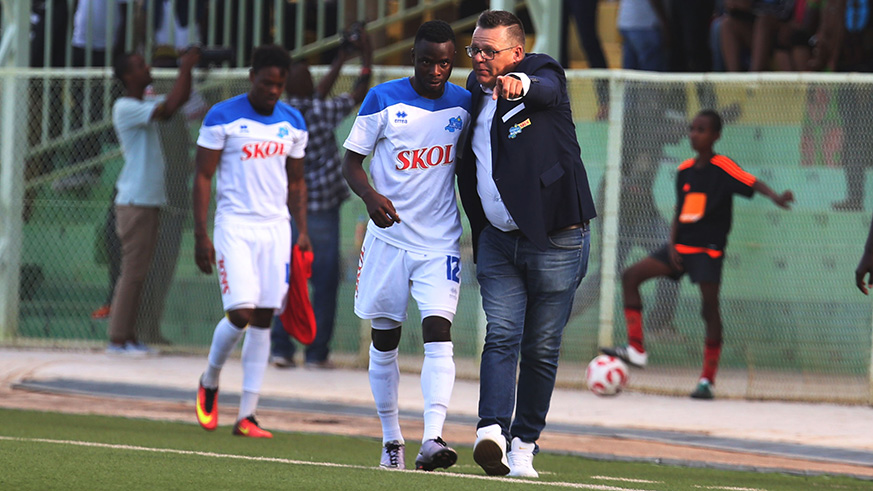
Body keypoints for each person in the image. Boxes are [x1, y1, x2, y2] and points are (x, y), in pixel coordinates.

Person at [456, 10, 597, 478]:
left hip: (557, 239)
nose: (478, 58)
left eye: (488, 51)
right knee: (501, 335)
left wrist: (521, 85)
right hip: (497, 241)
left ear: (516, 53)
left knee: (540, 347)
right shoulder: (472, 96)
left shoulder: (540, 73)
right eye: (473, 49)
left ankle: (524, 443)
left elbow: (548, 89)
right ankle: (491, 432)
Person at [342, 20, 471, 471]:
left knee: (439, 332)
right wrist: (371, 196)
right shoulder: (382, 99)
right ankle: (391, 439)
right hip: (388, 241)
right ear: (412, 59)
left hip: (440, 243)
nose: (436, 70)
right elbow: (351, 163)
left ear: (452, 61)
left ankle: (433, 438)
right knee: (385, 341)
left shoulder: (465, 104)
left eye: (444, 62)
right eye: (426, 61)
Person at [601, 110, 794, 400]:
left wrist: (776, 197)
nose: (694, 134)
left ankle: (707, 380)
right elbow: (681, 211)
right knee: (631, 276)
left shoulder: (723, 166)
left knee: (709, 309)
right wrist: (672, 244)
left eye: (701, 130)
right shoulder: (684, 170)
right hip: (680, 249)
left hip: (707, 251)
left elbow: (752, 182)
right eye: (692, 129)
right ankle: (637, 349)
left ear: (716, 136)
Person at [193, 44, 310, 438]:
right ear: (252, 77)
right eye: (266, 83)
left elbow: (296, 181)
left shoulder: (293, 121)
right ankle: (210, 380)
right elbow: (203, 177)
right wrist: (200, 234)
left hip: (276, 229)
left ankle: (247, 415)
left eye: (279, 84)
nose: (273, 90)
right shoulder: (221, 116)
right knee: (240, 312)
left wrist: (302, 230)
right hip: (234, 227)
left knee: (263, 317)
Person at [269, 26, 374, 370]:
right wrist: (365, 58)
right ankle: (316, 353)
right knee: (324, 282)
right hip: (322, 211)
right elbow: (357, 94)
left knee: (286, 280)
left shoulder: (283, 113)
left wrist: (341, 57)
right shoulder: (318, 112)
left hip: (287, 210)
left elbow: (316, 93)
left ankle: (281, 349)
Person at [106, 47, 200, 355]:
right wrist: (185, 66)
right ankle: (118, 338)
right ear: (128, 76)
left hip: (146, 200)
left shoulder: (143, 103)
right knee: (132, 272)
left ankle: (129, 336)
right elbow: (171, 107)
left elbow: (178, 100)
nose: (147, 68)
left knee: (139, 273)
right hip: (135, 202)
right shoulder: (125, 107)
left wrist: (187, 71)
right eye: (139, 65)